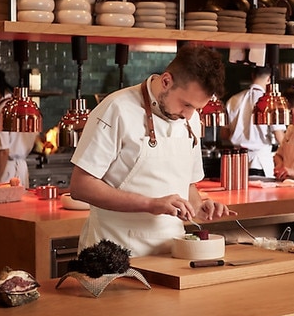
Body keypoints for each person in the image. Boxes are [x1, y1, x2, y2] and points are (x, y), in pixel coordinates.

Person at [69, 44, 235, 257]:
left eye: (196, 108)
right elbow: (81, 186)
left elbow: (187, 185)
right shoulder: (116, 109)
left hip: (172, 253)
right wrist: (150, 204)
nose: (189, 115)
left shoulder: (190, 119)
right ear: (166, 81)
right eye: (186, 104)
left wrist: (199, 207)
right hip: (114, 253)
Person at [0, 62, 38, 188]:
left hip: (7, 171)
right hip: (22, 169)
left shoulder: (1, 113)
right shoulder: (26, 108)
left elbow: (3, 152)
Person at [225, 65, 286, 177]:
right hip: (259, 163)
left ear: (252, 75)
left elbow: (224, 134)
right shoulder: (271, 102)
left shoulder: (233, 100)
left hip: (236, 163)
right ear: (269, 79)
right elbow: (279, 136)